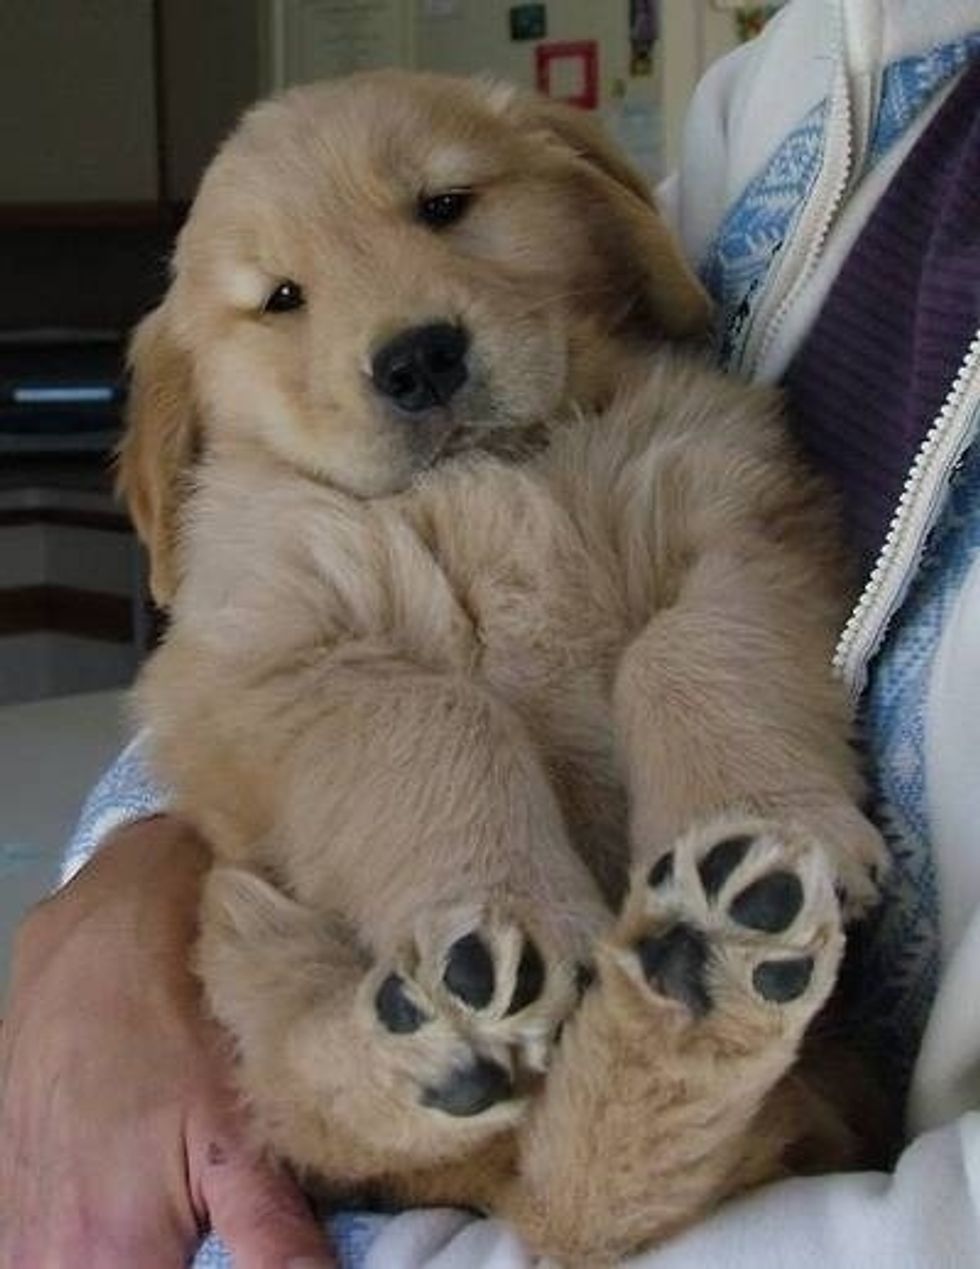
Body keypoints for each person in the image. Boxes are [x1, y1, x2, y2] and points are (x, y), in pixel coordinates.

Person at [3, 1, 979, 1265]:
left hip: (757, 1170)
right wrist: (114, 889)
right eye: (280, 299)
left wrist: (735, 767)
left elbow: (752, 541)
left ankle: (658, 1065)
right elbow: (225, 712)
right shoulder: (824, 75)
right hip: (371, 1095)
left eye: (444, 207)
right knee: (270, 962)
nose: (399, 325)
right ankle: (438, 1065)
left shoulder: (662, 415)